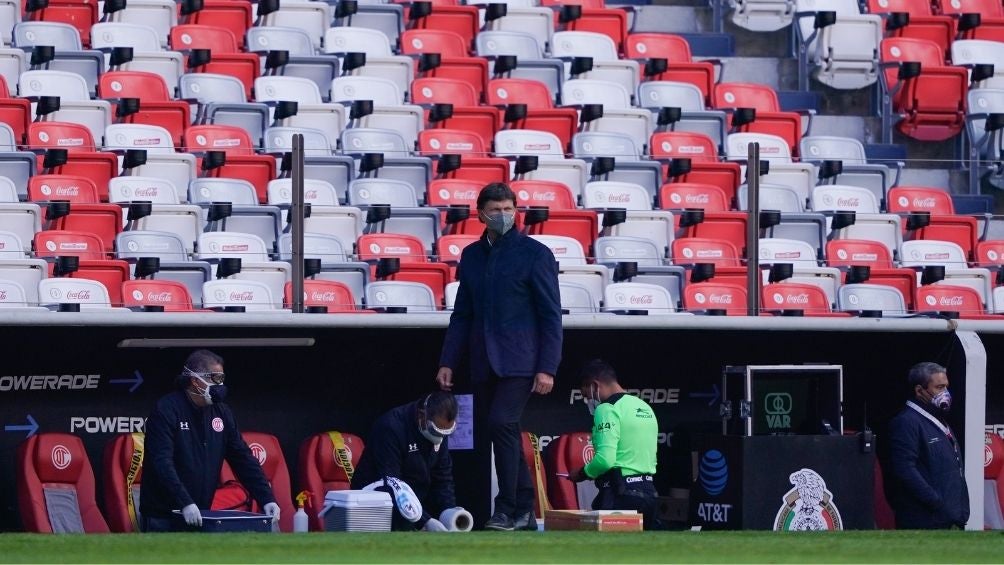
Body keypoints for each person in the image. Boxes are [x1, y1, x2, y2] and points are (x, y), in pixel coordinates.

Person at [436, 182, 563, 531]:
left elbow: (551, 315)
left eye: (509, 209)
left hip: (522, 361)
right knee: (501, 430)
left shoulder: (536, 254)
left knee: (501, 424)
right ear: (481, 213)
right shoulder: (473, 256)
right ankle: (523, 507)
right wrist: (448, 361)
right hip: (482, 362)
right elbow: (462, 313)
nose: (503, 215)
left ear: (516, 211)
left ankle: (506, 508)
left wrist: (547, 367)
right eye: (496, 210)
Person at [140, 349, 280, 532]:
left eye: (222, 378)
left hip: (200, 512)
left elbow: (243, 458)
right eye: (215, 379)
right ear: (195, 380)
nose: (220, 385)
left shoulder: (222, 412)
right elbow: (162, 463)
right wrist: (184, 502)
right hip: (163, 515)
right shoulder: (167, 409)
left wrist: (266, 498)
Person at [351, 392, 467, 531]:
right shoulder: (390, 427)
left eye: (446, 432)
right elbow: (392, 483)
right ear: (421, 415)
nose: (440, 437)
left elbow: (443, 477)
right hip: (375, 505)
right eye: (436, 430)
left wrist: (450, 512)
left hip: (413, 505)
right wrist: (425, 521)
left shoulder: (440, 430)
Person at [568, 359, 661, 530]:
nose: (589, 402)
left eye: (587, 396)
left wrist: (582, 473)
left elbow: (605, 460)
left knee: (606, 555)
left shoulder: (607, 409)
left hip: (620, 494)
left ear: (594, 385)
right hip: (650, 493)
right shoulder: (644, 406)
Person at [887, 361, 969, 529]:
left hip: (948, 517)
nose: (945, 393)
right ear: (919, 390)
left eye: (946, 387)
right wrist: (936, 502)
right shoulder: (906, 422)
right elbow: (904, 470)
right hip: (924, 520)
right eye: (939, 387)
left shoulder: (939, 418)